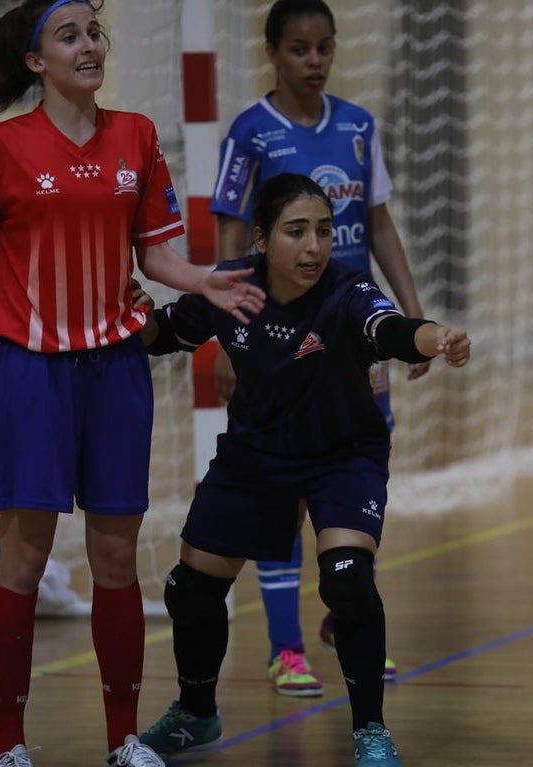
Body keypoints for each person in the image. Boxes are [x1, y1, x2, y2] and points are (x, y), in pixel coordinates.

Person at [0, 3, 264, 766]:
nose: (89, 46)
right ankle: (7, 745)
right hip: (29, 373)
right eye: (70, 35)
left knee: (117, 561)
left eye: (94, 33)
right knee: (23, 558)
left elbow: (157, 256)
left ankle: (124, 739)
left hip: (117, 371)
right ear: (35, 61)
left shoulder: (137, 136)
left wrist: (206, 279)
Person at [136, 173, 470, 765]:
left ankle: (370, 730)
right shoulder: (231, 288)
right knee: (190, 590)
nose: (315, 246)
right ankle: (195, 714)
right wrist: (139, 318)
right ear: (262, 240)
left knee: (346, 578)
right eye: (297, 232)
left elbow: (389, 330)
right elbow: (169, 333)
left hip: (341, 455)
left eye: (323, 231)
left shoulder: (347, 289)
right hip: (256, 456)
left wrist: (432, 336)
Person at [210, 0, 424, 696]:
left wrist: (412, 316)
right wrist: (228, 338)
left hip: (354, 337)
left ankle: (347, 603)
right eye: (300, 49)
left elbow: (381, 225)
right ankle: (286, 647)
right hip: (277, 342)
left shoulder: (359, 127)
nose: (315, 61)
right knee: (282, 494)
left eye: (325, 48)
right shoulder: (250, 133)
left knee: (358, 475)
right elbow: (231, 243)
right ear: (272, 51)